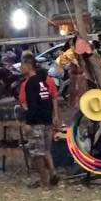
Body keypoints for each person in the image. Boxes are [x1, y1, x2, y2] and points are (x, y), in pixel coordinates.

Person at [18, 52, 59, 188]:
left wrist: (28, 122)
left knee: (37, 153)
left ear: (28, 66)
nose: (20, 67)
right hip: (46, 120)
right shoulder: (43, 82)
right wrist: (53, 116)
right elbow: (48, 101)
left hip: (37, 122)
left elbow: (32, 105)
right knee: (46, 150)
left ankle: (44, 181)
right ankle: (52, 173)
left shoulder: (30, 83)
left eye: (22, 64)